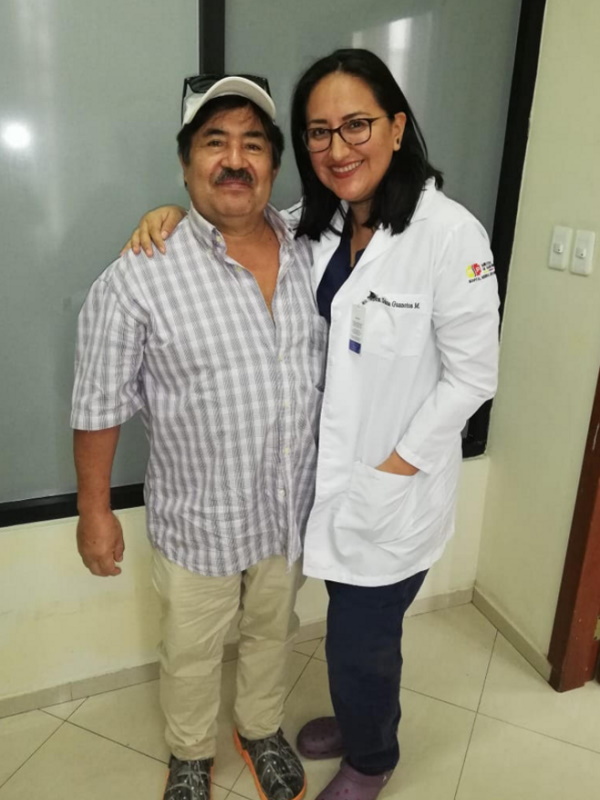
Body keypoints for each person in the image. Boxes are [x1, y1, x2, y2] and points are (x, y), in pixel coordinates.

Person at [124, 49, 499, 800]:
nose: (336, 148)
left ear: (396, 127)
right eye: (318, 132)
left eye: (355, 125)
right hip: (322, 487)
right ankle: (360, 720)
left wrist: (395, 465)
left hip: (392, 490)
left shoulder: (449, 236)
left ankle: (371, 759)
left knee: (364, 640)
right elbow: (241, 219)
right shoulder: (319, 225)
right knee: (347, 631)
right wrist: (172, 215)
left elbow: (474, 377)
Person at [72, 74, 327, 800]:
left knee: (274, 631)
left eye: (253, 144)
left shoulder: (315, 245)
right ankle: (190, 752)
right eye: (215, 143)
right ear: (186, 164)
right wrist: (95, 511)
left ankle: (259, 728)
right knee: (190, 650)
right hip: (199, 519)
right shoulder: (138, 277)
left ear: (276, 166)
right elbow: (97, 404)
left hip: (288, 509)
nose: (235, 160)